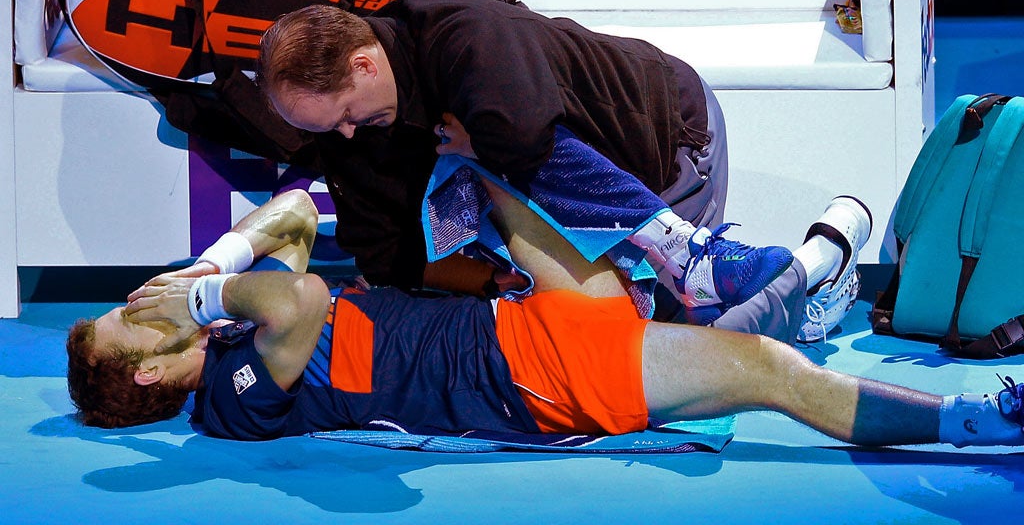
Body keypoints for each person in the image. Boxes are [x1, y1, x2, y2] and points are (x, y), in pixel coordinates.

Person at [66, 188, 1024, 449]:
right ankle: (978, 421)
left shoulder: (228, 325)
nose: (135, 299)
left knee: (503, 155)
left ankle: (728, 267)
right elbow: (304, 294)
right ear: (150, 372)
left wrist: (213, 262)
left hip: (520, 321)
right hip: (526, 381)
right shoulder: (228, 397)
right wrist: (202, 293)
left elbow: (287, 214)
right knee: (770, 370)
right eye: (127, 318)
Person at [255, 0, 859, 341]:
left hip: (666, 141)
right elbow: (385, 255)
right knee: (597, 328)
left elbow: (523, 138)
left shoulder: (466, 33)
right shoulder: (350, 132)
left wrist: (477, 142)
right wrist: (503, 287)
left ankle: (756, 265)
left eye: (345, 116)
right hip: (549, 204)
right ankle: (700, 261)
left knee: (681, 333)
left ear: (363, 65)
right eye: (326, 130)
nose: (346, 135)